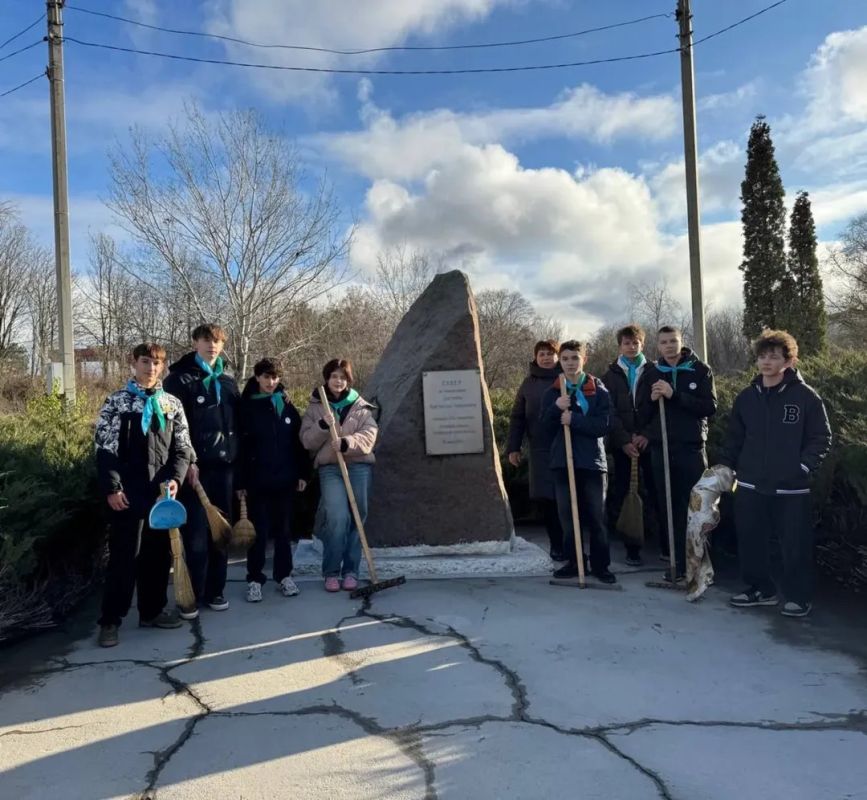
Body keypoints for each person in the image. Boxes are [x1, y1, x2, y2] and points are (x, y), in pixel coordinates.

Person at [720, 330, 831, 618]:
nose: (767, 362)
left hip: (791, 489)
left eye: (774, 357)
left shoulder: (807, 397)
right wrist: (727, 466)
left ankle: (798, 596)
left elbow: (821, 437)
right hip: (749, 484)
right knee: (751, 540)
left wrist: (802, 468)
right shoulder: (746, 397)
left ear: (788, 361)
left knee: (794, 545)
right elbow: (734, 438)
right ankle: (761, 590)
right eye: (762, 356)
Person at [94, 343, 194, 647]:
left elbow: (183, 447)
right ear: (134, 363)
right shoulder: (117, 403)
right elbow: (104, 448)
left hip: (161, 494)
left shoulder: (171, 404)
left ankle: (151, 611)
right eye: (145, 362)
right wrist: (113, 487)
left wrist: (175, 479)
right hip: (127, 494)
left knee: (157, 557)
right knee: (124, 557)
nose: (151, 368)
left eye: (157, 363)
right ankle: (111, 620)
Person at [164, 323, 240, 616]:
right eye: (207, 340)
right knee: (196, 535)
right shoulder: (178, 381)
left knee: (220, 534)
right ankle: (191, 592)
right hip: (195, 471)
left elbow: (237, 427)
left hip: (225, 470)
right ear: (195, 342)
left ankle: (215, 591)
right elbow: (172, 430)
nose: (213, 345)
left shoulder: (229, 380)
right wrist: (187, 463)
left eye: (218, 341)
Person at [636, 325, 717, 582]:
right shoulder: (650, 373)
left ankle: (700, 565)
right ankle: (678, 565)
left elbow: (709, 406)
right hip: (662, 448)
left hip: (691, 448)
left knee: (696, 508)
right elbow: (640, 414)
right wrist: (651, 399)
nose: (669, 346)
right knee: (669, 507)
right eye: (664, 342)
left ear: (681, 343)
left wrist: (675, 395)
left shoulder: (699, 370)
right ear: (657, 346)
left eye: (673, 341)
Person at [540, 340, 616, 584]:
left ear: (584, 359)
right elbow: (543, 428)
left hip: (592, 462)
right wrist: (555, 409)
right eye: (565, 359)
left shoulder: (598, 390)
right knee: (568, 517)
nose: (570, 363)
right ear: (560, 361)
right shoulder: (553, 391)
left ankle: (601, 565)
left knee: (596, 517)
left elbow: (603, 426)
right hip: (562, 462)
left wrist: (574, 419)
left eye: (575, 358)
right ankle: (574, 562)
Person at [300, 358, 378, 592]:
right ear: (327, 378)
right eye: (334, 376)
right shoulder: (316, 406)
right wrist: (323, 427)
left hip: (359, 467)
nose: (338, 381)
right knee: (337, 517)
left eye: (343, 377)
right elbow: (305, 440)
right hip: (331, 469)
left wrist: (347, 443)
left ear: (348, 380)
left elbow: (369, 435)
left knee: (357, 517)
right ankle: (332, 571)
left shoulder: (361, 406)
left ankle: (351, 571)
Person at [239, 358, 311, 603]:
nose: (271, 382)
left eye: (275, 377)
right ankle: (255, 579)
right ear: (257, 377)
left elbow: (298, 443)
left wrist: (303, 473)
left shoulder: (287, 405)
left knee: (283, 531)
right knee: (258, 532)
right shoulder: (246, 407)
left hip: (285, 479)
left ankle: (284, 576)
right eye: (267, 377)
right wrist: (240, 483)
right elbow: (241, 447)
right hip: (257, 480)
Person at [602, 323, 657, 566]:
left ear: (642, 344)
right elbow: (608, 412)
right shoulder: (609, 375)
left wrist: (646, 434)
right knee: (625, 493)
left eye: (635, 343)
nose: (631, 347)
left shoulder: (655, 371)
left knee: (654, 492)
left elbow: (659, 409)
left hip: (649, 443)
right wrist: (623, 440)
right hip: (623, 445)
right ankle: (631, 547)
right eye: (627, 343)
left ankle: (660, 543)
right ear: (620, 346)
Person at [507, 339, 566, 560]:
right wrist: (513, 447)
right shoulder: (528, 383)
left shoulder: (567, 378)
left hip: (565, 445)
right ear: (535, 357)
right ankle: (557, 544)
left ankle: (571, 544)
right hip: (539, 449)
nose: (546, 358)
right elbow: (517, 417)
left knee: (566, 498)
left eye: (551, 354)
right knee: (546, 499)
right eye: (542, 354)